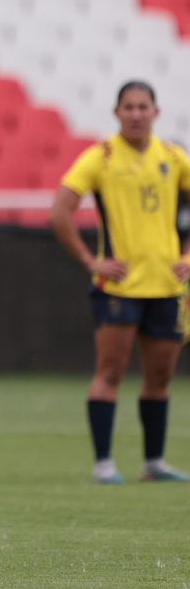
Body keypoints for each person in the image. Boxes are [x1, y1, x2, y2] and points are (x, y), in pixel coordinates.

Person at [50, 80, 190, 484]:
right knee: (110, 372)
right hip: (120, 287)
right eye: (128, 107)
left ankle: (153, 463)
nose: (136, 114)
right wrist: (91, 260)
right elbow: (60, 212)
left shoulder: (173, 157)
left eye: (143, 106)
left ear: (156, 113)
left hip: (166, 285)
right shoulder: (101, 157)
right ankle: (104, 464)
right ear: (116, 113)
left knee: (161, 376)